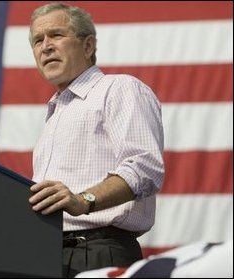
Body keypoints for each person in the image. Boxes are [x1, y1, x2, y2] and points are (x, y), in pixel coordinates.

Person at [27, 3, 165, 278]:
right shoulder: (55, 112)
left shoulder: (118, 88)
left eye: (56, 35)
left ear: (88, 46)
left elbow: (144, 166)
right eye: (37, 40)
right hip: (48, 255)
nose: (45, 46)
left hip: (100, 253)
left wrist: (83, 200)